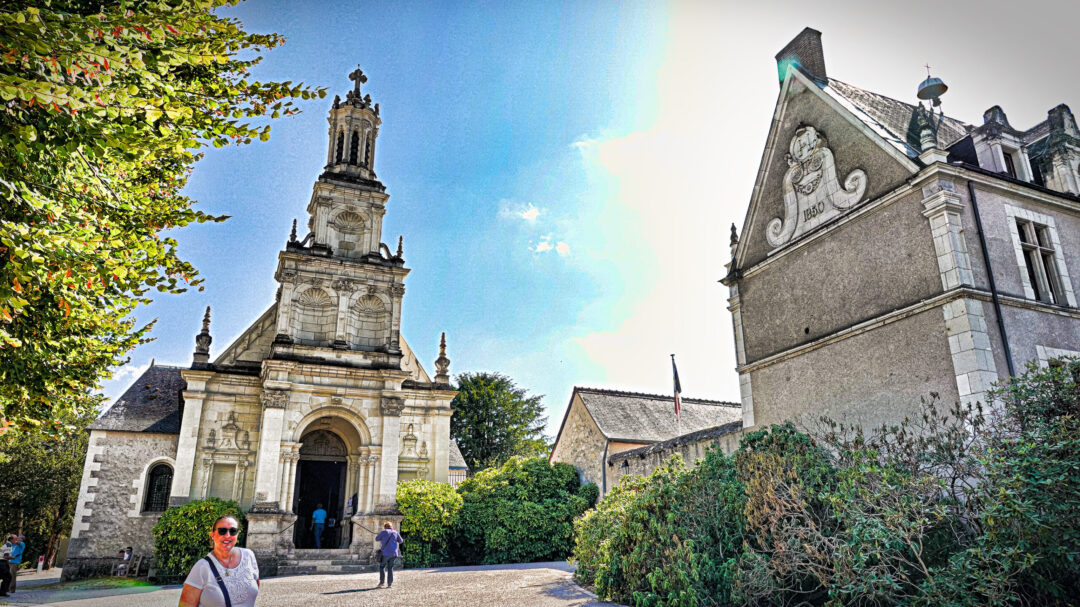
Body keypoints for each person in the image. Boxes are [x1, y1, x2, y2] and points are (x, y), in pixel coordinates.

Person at [178, 515, 259, 607]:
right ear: (212, 535)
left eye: (233, 531)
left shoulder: (249, 556)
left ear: (237, 535)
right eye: (222, 531)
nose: (228, 536)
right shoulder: (201, 567)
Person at [374, 521, 403, 589]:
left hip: (385, 553)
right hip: (393, 553)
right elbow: (401, 541)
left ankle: (381, 583)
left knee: (382, 567)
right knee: (390, 568)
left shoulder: (384, 532)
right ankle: (389, 584)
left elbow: (377, 539)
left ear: (384, 527)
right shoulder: (395, 532)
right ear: (391, 527)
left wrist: (382, 535)